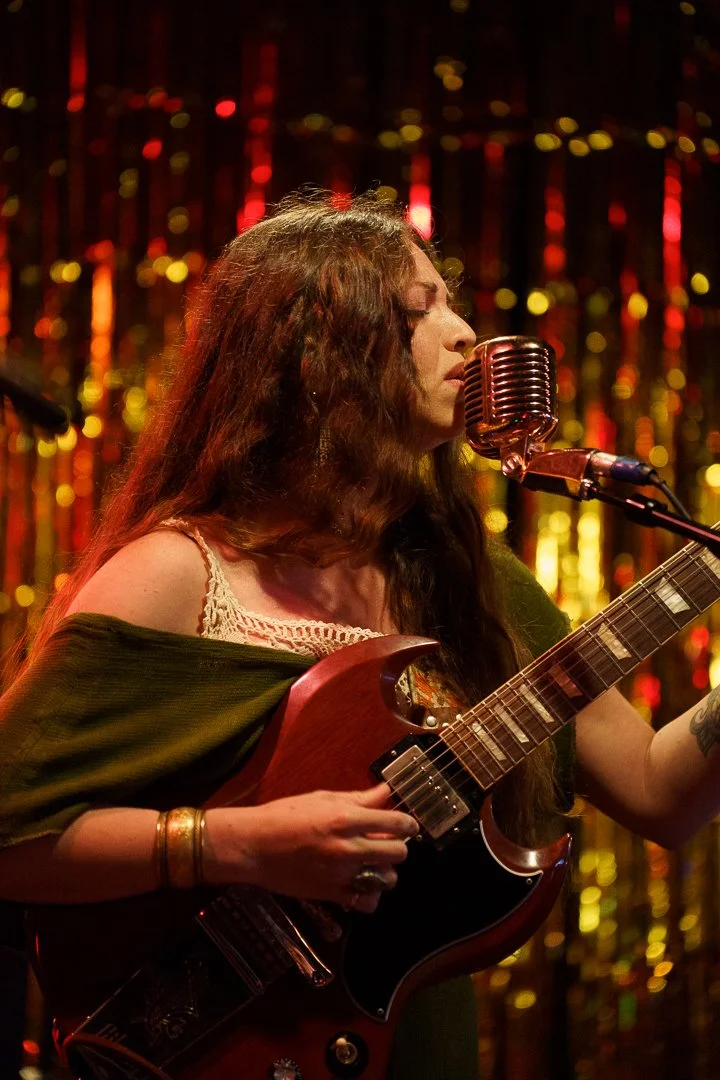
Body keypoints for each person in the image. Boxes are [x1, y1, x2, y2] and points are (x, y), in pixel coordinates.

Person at [0, 190, 719, 1079]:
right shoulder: (178, 572)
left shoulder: (470, 580)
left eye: (454, 304)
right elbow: (13, 835)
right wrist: (240, 843)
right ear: (316, 356)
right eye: (423, 310)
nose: (466, 335)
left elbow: (659, 792)